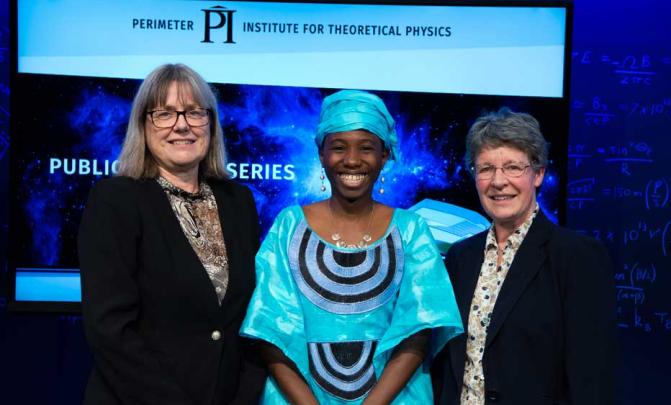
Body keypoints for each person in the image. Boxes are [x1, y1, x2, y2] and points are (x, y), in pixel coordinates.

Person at [240, 90, 463, 404]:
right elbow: (270, 332)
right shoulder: (289, 226)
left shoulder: (411, 230)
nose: (353, 160)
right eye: (339, 147)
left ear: (384, 156)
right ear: (321, 154)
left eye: (367, 148)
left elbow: (419, 332)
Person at [78, 63, 265, 404]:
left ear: (211, 123)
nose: (182, 125)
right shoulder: (116, 199)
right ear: (143, 125)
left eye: (194, 112)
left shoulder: (239, 201)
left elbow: (250, 319)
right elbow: (110, 330)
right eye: (164, 113)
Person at [432, 108, 617, 404]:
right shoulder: (460, 257)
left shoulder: (577, 257)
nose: (498, 181)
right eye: (486, 168)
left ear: (539, 173)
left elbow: (592, 378)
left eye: (513, 168)